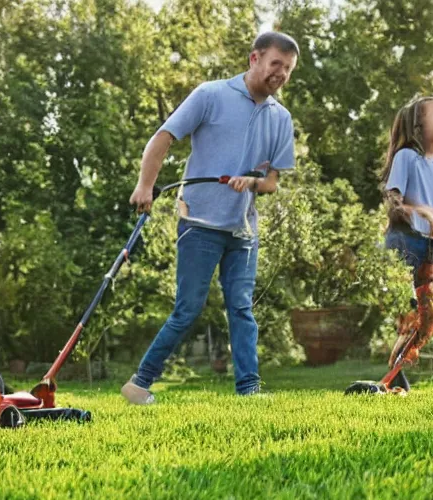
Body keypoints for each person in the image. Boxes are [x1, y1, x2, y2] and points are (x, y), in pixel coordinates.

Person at [121, 31, 300, 404]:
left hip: (243, 230)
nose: (281, 74)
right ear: (254, 59)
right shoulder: (211, 94)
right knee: (188, 309)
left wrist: (252, 181)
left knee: (242, 309)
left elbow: (271, 184)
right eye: (275, 64)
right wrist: (145, 186)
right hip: (199, 222)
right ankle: (139, 384)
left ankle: (249, 391)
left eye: (288, 69)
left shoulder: (281, 118)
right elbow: (164, 136)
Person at [379, 95, 433, 392]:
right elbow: (393, 201)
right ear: (419, 125)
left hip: (428, 248)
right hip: (403, 243)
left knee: (430, 319)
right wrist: (418, 211)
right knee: (410, 317)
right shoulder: (406, 157)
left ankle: (397, 375)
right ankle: (395, 381)